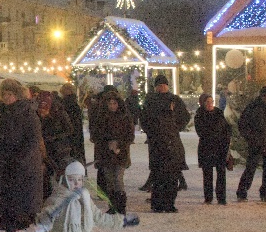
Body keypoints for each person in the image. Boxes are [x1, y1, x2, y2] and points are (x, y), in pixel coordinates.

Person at [0, 78, 46, 232]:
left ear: (17, 95)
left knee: (28, 206)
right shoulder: (1, 112)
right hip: (5, 163)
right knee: (7, 204)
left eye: (10, 94)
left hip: (24, 166)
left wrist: (20, 158)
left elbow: (33, 140)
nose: (7, 97)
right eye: (4, 94)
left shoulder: (28, 113)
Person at [138, 75, 190, 212]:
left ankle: (169, 203)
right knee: (159, 176)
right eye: (159, 85)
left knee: (172, 176)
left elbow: (184, 117)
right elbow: (144, 119)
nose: (161, 87)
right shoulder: (151, 101)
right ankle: (157, 204)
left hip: (172, 142)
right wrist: (152, 132)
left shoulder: (174, 100)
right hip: (157, 143)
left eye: (163, 85)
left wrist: (175, 127)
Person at [88, 86, 135, 214]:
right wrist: (107, 143)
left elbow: (129, 136)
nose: (112, 106)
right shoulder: (101, 118)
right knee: (109, 181)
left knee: (118, 179)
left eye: (114, 103)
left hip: (120, 153)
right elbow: (96, 135)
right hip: (106, 154)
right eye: (110, 103)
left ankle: (121, 206)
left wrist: (119, 145)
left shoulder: (124, 117)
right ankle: (112, 205)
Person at [194, 94, 233, 205]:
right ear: (202, 103)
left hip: (220, 147)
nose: (210, 104)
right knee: (207, 174)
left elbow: (227, 128)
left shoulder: (219, 113)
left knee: (221, 173)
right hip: (206, 148)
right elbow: (201, 132)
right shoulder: (199, 115)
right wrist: (215, 133)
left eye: (211, 101)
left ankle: (221, 197)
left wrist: (226, 139)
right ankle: (208, 197)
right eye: (207, 102)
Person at [37, 91, 74, 195]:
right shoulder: (36, 114)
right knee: (46, 175)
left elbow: (70, 130)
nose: (43, 111)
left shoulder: (60, 113)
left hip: (59, 149)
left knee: (59, 173)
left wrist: (54, 137)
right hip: (44, 149)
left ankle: (61, 194)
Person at [56, 83, 86, 171]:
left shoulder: (67, 104)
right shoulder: (74, 103)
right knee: (77, 154)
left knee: (71, 156)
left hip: (70, 135)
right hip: (76, 134)